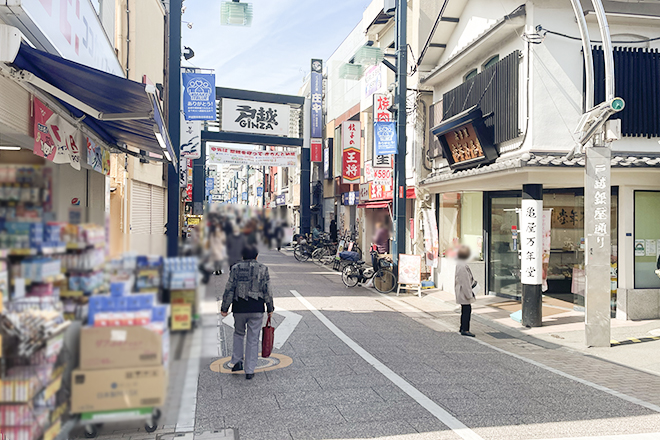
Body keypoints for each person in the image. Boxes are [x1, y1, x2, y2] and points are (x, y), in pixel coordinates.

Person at [220, 246, 274, 380]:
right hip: (256, 307)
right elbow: (267, 289)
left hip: (239, 307)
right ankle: (249, 370)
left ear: (242, 256)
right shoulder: (263, 269)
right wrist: (270, 308)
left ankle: (237, 361)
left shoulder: (235, 268)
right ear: (257, 256)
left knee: (238, 333)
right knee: (253, 338)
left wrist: (224, 307)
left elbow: (229, 288)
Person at [455, 245, 476, 337]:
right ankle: (465, 329)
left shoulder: (460, 264)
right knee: (467, 310)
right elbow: (465, 282)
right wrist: (469, 294)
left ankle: (462, 327)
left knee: (465, 310)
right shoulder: (462, 266)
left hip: (462, 292)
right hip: (463, 292)